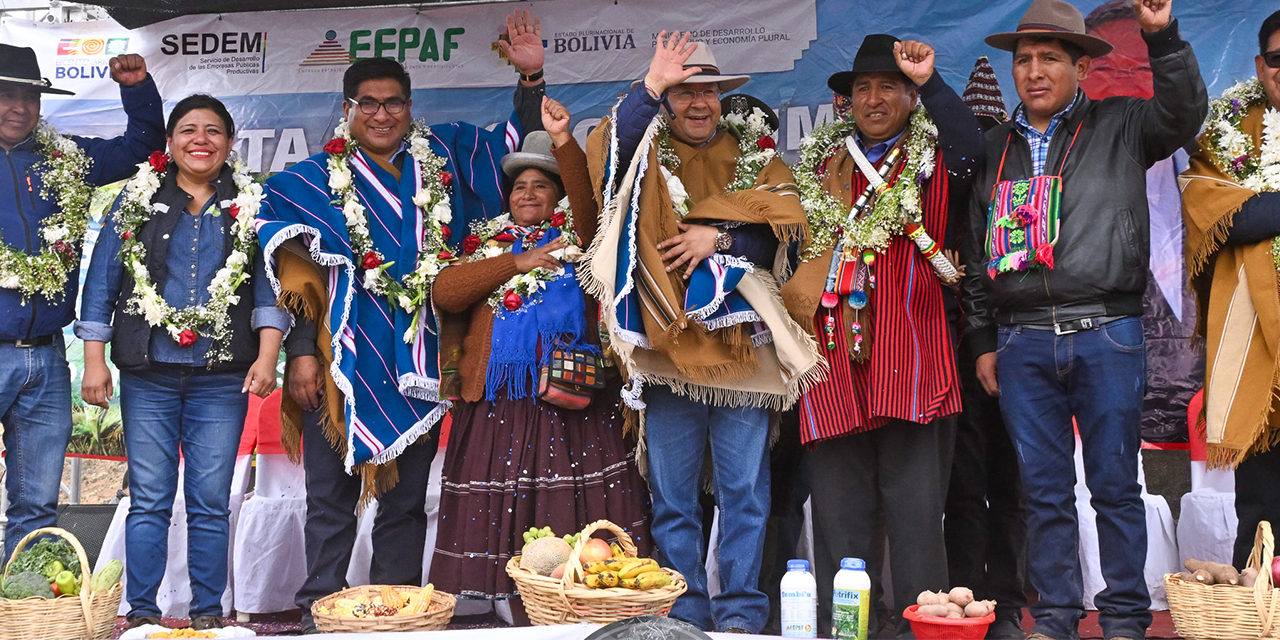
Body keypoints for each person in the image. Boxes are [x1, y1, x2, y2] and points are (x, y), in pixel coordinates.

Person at [255, 10, 548, 633]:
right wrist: (303, 353)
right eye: (369, 103)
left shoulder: (443, 159)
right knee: (329, 501)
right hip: (340, 361)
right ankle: (320, 614)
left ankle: (393, 613)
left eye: (394, 103)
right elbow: (298, 276)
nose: (382, 114)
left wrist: (531, 83)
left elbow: (512, 149)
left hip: (421, 359)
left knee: (406, 503)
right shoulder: (311, 182)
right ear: (347, 108)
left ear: (410, 108)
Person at [959, 1, 1207, 639]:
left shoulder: (1122, 123)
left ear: (1080, 67)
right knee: (1042, 493)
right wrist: (986, 339)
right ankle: (1058, 619)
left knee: (1115, 486)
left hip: (1106, 330)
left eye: (1049, 58)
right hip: (1021, 342)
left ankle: (1124, 618)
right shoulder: (995, 146)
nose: (1034, 72)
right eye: (1023, 60)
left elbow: (1183, 113)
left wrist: (1162, 35)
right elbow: (976, 252)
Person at [583, 34, 823, 634]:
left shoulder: (759, 159)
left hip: (743, 356)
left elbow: (785, 236)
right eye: (684, 91)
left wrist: (719, 241)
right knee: (673, 499)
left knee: (744, 492)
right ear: (668, 100)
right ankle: (683, 615)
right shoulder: (646, 155)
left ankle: (741, 613)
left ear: (722, 99)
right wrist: (649, 88)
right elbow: (607, 155)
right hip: (667, 351)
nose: (698, 103)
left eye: (708, 92)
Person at [780, 34, 983, 638]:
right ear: (846, 103)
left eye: (888, 87)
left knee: (918, 517)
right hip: (834, 366)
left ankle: (926, 629)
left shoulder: (936, 159)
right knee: (841, 518)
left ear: (910, 97)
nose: (873, 99)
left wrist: (932, 82)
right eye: (862, 89)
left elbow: (975, 149)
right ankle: (853, 631)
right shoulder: (821, 168)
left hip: (911, 359)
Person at [429, 98, 651, 607]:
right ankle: (498, 600)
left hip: (570, 396)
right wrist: (515, 261)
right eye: (520, 186)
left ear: (558, 196)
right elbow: (446, 293)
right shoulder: (485, 245)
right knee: (498, 499)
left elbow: (591, 207)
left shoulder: (583, 240)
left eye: (542, 184)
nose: (528, 193)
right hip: (495, 402)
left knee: (568, 501)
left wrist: (563, 143)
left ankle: (570, 598)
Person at [77, 94, 287, 630]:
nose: (201, 139)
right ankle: (141, 615)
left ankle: (206, 616)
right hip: (148, 373)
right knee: (149, 498)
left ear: (230, 143)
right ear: (169, 143)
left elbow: (269, 286)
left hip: (222, 378)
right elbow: (102, 282)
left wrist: (267, 357)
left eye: (213, 130)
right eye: (188, 130)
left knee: (211, 502)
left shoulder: (252, 202)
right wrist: (94, 360)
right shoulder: (137, 199)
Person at [0, 44, 163, 560]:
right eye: (5, 94)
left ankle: (24, 618)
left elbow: (142, 146)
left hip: (46, 356)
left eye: (28, 96)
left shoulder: (63, 158)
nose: (18, 107)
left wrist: (136, 91)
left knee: (36, 506)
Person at [1181, 8, 1280, 569]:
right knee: (1263, 507)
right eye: (1277, 58)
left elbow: (1250, 213)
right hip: (1259, 354)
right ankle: (1256, 616)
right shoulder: (1226, 131)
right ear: (1261, 66)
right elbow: (1220, 216)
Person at [1084, 0, 1204, 444]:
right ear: (1080, 73)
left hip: (1203, 414)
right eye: (1109, 69)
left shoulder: (1210, 167)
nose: (1125, 83)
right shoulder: (1048, 169)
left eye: (1140, 68)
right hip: (1093, 407)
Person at [944, 55, 1028, 640]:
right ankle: (966, 597)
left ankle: (1012, 603)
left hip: (1024, 345)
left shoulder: (1024, 184)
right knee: (966, 488)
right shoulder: (946, 186)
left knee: (1017, 486)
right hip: (961, 350)